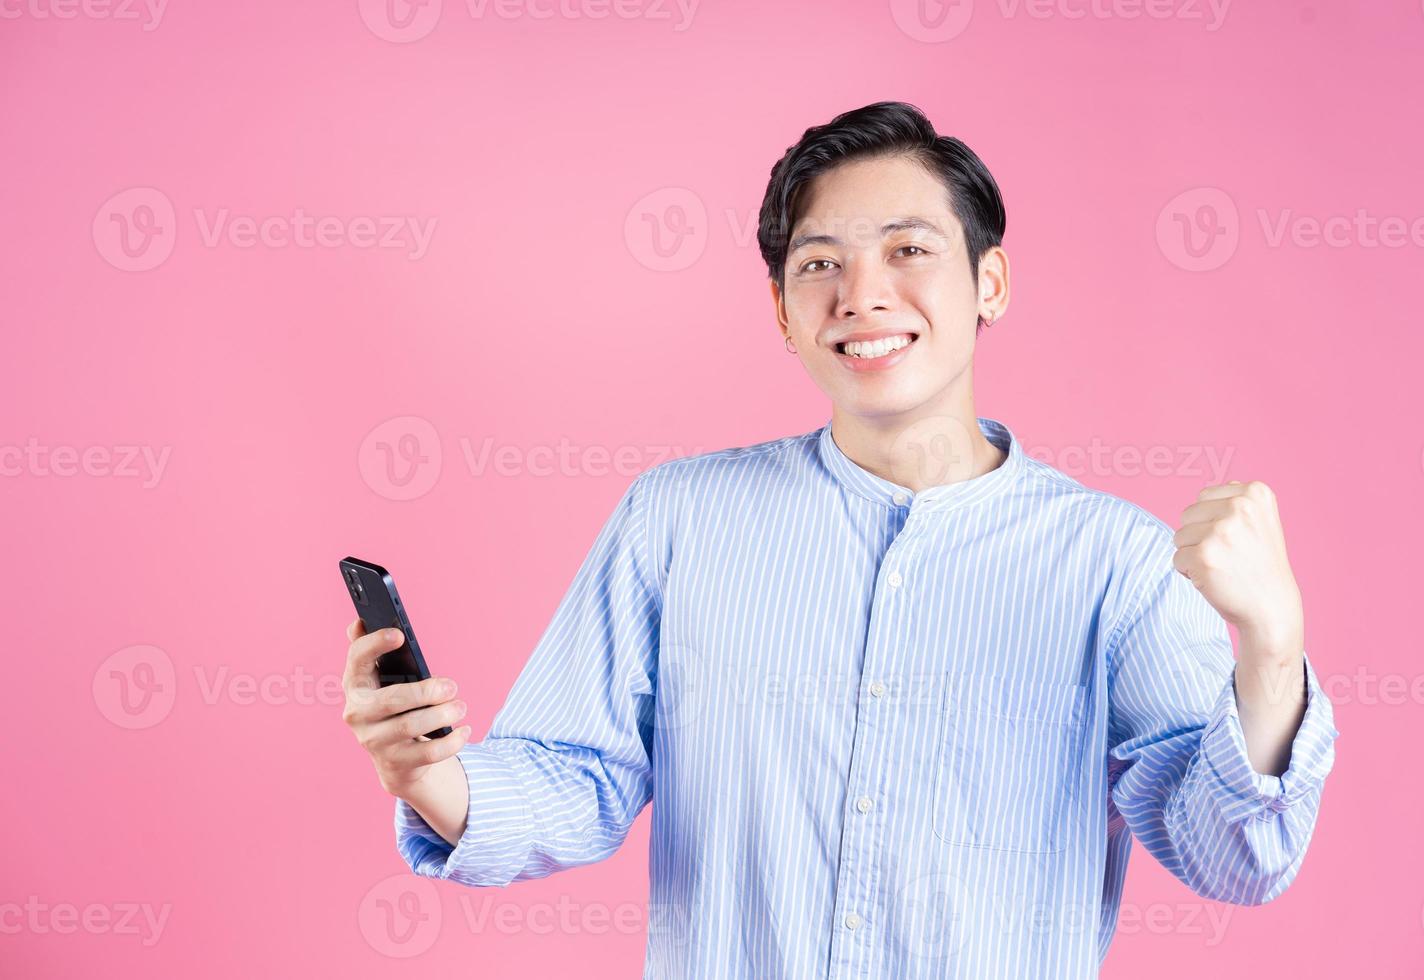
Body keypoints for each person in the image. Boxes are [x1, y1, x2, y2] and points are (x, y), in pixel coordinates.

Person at [340, 101, 1338, 978]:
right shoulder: (680, 519)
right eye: (820, 263)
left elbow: (1233, 854)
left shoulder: (1114, 562)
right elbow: (576, 771)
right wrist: (429, 773)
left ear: (989, 282)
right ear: (782, 308)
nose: (862, 294)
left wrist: (1273, 647)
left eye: (909, 250)